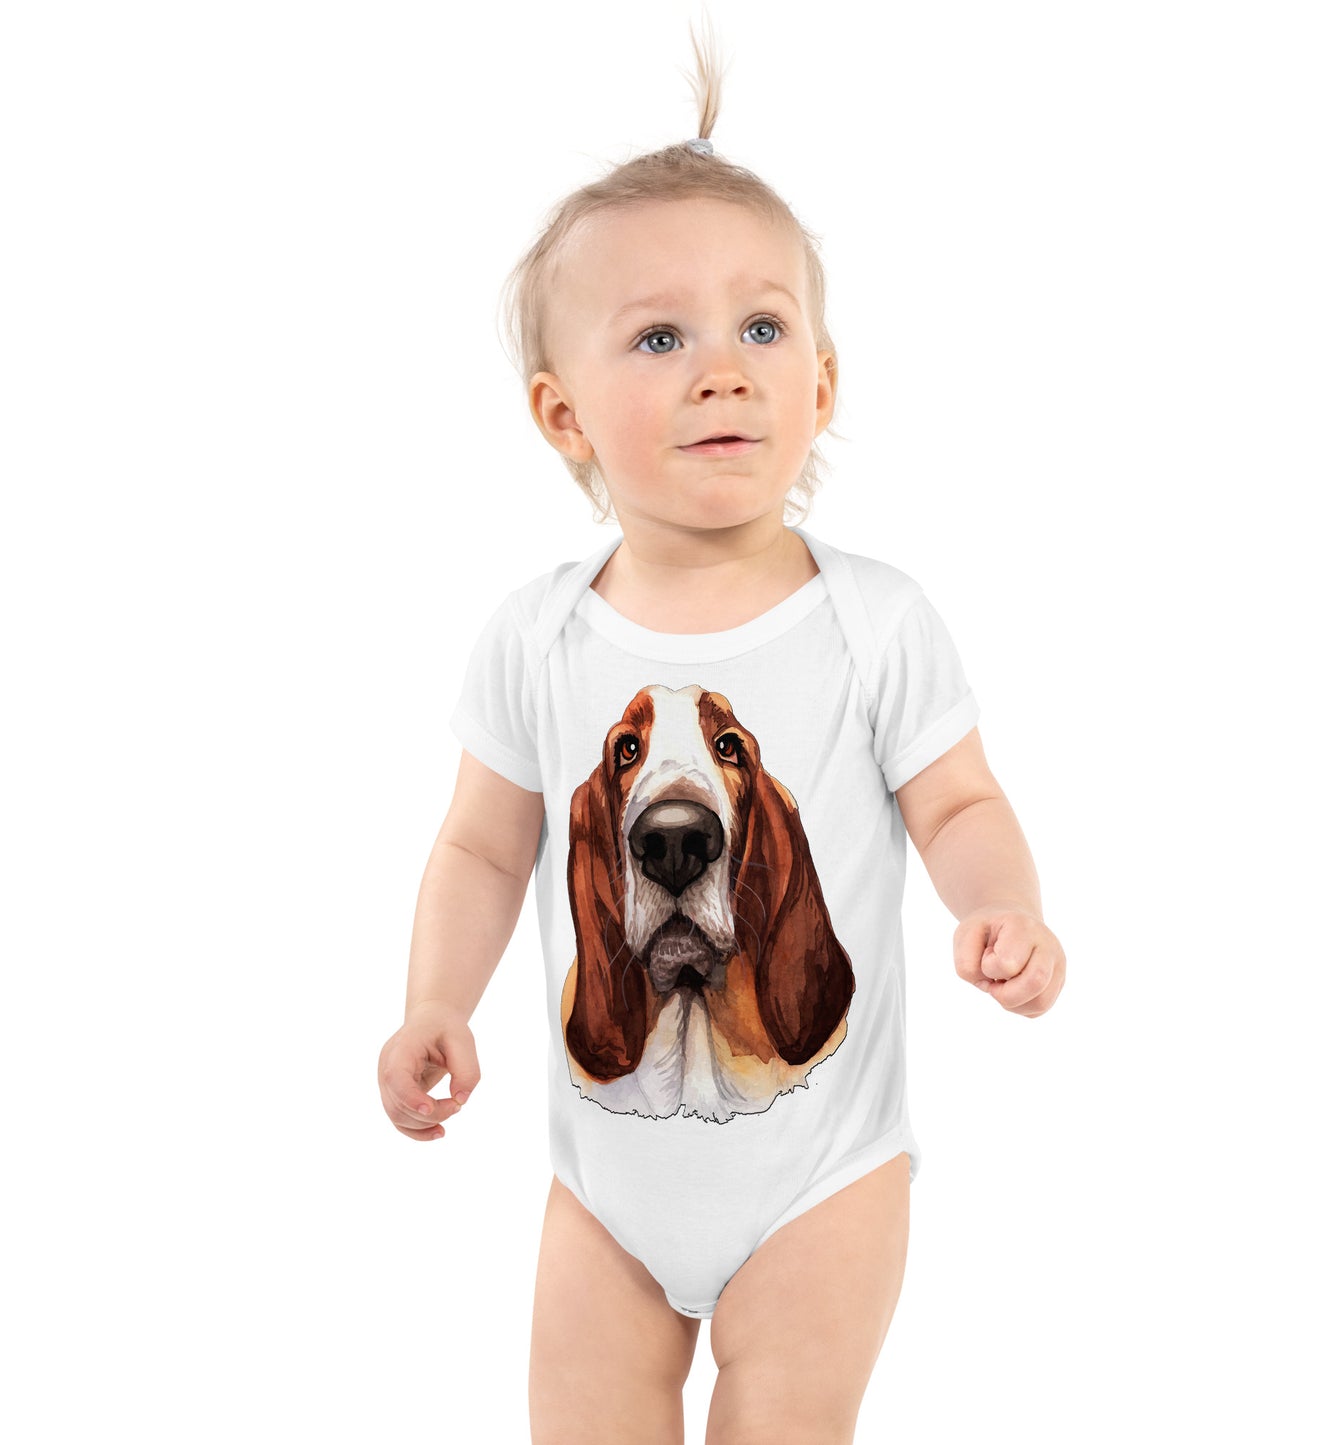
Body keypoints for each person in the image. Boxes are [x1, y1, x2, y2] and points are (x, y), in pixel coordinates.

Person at [377, 21, 1066, 1443]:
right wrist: (435, 997)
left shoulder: (874, 619)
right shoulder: (536, 634)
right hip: (602, 1187)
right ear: (562, 416)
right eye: (659, 337)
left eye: (761, 327)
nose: (722, 370)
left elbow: (956, 802)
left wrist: (1000, 903)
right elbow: (481, 847)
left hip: (823, 1175)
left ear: (822, 384)